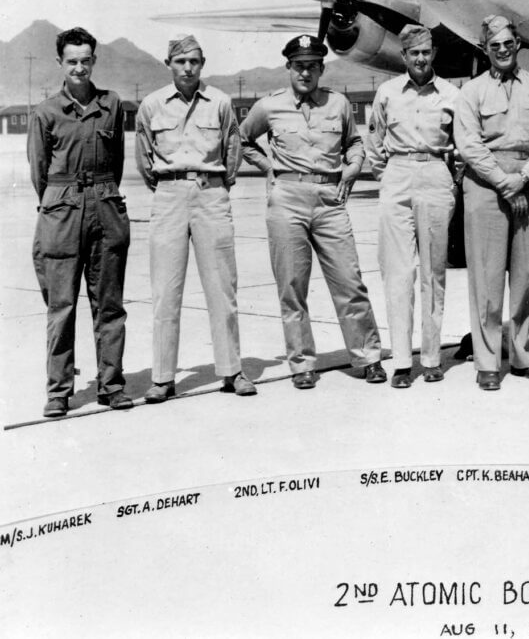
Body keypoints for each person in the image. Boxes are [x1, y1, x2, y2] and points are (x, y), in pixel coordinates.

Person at [239, 34, 385, 389]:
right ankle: (302, 363)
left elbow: (353, 142)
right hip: (287, 198)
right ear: (289, 68)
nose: (305, 73)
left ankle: (368, 357)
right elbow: (242, 139)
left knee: (349, 282)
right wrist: (268, 167)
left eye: (312, 67)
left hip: (329, 199)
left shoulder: (337, 104)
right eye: (299, 66)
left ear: (321, 69)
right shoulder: (269, 106)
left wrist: (353, 166)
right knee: (292, 286)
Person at [135, 34, 256, 403]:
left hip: (211, 194)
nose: (188, 68)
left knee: (222, 287)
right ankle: (163, 378)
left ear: (202, 64)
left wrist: (217, 186)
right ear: (168, 64)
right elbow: (144, 156)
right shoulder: (151, 104)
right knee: (165, 290)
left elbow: (232, 150)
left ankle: (232, 370)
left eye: (195, 62)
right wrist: (170, 186)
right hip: (169, 196)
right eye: (180, 62)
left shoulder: (220, 102)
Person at [28, 27, 133, 417]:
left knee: (109, 304)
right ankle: (59, 391)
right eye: (72, 60)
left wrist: (98, 195)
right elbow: (39, 171)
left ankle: (112, 384)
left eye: (85, 60)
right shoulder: (47, 112)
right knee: (61, 305)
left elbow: (117, 162)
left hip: (105, 207)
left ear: (94, 60)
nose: (79, 67)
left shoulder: (112, 104)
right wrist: (63, 202)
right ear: (61, 63)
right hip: (61, 211)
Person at [454, 15, 529, 391]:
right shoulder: (471, 92)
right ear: (485, 49)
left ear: (518, 46)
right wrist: (504, 183)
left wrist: (523, 179)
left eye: (508, 44)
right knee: (487, 276)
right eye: (494, 45)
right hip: (485, 186)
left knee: (525, 274)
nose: (502, 50)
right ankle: (486, 361)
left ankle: (522, 354)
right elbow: (469, 144)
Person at [365, 25, 460, 388]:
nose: (420, 59)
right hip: (398, 174)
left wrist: (447, 179)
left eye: (426, 52)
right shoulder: (387, 93)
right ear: (403, 57)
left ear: (433, 54)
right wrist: (389, 175)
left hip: (435, 176)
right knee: (398, 272)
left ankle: (433, 358)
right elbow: (374, 142)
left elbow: (461, 145)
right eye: (413, 53)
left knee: (433, 273)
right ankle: (403, 362)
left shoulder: (451, 94)